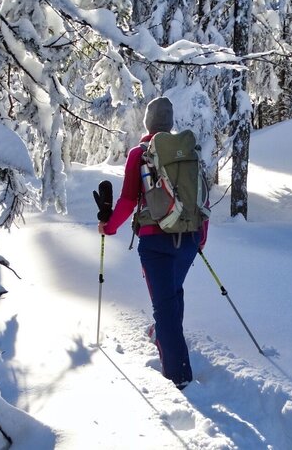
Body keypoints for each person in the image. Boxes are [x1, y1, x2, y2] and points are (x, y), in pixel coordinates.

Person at [98, 97, 206, 390]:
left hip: (155, 241)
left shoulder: (139, 153)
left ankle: (180, 377)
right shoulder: (188, 153)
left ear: (147, 122)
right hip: (189, 238)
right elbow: (200, 197)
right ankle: (165, 336)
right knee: (173, 294)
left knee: (165, 306)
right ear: (169, 123)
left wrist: (109, 227)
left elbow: (128, 199)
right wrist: (200, 237)